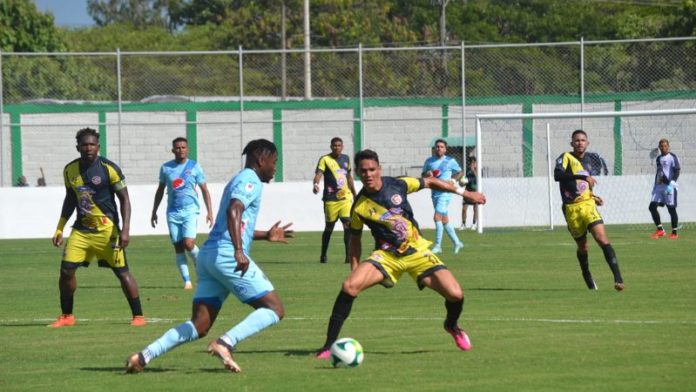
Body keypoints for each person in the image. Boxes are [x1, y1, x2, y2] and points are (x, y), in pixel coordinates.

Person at [126, 139, 293, 374]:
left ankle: (143, 357)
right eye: (274, 162)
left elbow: (234, 221)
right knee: (274, 309)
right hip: (226, 255)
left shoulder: (239, 179)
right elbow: (234, 210)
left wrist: (266, 235)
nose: (275, 168)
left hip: (209, 256)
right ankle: (225, 343)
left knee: (200, 325)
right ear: (261, 160)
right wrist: (238, 251)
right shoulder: (250, 180)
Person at [315, 149, 486, 359]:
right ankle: (327, 346)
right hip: (386, 257)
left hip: (417, 252)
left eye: (372, 169)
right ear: (357, 173)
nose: (368, 174)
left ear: (379, 169)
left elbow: (430, 182)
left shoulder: (398, 184)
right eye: (363, 171)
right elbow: (355, 238)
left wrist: (466, 193)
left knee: (456, 294)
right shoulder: (359, 206)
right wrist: (355, 268)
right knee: (349, 286)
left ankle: (451, 325)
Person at [50, 127, 145, 327]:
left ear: (98, 146)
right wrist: (59, 228)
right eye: (84, 144)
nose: (88, 148)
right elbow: (70, 199)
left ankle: (138, 316)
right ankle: (67, 316)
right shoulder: (70, 170)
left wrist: (125, 230)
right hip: (81, 231)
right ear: (78, 147)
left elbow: (125, 200)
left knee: (122, 272)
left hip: (107, 231)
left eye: (92, 144)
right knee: (66, 271)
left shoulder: (109, 168)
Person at [554, 129, 624, 291]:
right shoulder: (565, 157)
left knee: (602, 239)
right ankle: (587, 274)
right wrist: (582, 177)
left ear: (587, 143)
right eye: (577, 140)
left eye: (583, 140)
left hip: (588, 205)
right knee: (583, 247)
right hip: (572, 209)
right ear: (572, 143)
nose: (580, 143)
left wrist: (593, 196)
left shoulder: (590, 160)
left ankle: (618, 278)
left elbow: (582, 186)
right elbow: (558, 176)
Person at [151, 137, 214, 289]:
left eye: (183, 147)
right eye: (177, 148)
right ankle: (187, 281)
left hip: (190, 210)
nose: (181, 150)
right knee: (178, 246)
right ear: (173, 150)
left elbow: (204, 189)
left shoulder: (194, 167)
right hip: (173, 212)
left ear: (188, 149)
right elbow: (160, 190)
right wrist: (154, 211)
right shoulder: (166, 168)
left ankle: (202, 272)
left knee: (189, 243)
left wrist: (210, 212)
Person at [312, 137, 357, 263]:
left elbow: (349, 177)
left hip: (345, 198)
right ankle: (323, 254)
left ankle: (348, 256)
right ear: (331, 147)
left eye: (339, 145)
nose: (337, 147)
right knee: (329, 228)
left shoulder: (346, 159)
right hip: (331, 199)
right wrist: (316, 184)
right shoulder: (325, 159)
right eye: (334, 145)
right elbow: (318, 175)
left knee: (347, 225)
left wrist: (355, 193)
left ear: (342, 147)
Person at [422, 139, 464, 254]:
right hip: (434, 193)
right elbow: (423, 174)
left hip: (445, 193)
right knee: (444, 221)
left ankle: (438, 246)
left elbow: (460, 172)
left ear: (445, 149)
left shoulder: (450, 161)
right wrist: (427, 174)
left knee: (437, 218)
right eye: (437, 146)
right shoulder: (429, 161)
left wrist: (453, 180)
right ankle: (457, 243)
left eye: (441, 147)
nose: (439, 148)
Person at [649, 138, 681, 239]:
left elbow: (677, 170)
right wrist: (655, 185)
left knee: (671, 209)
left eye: (665, 146)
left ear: (668, 147)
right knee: (652, 206)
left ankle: (674, 233)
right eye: (661, 146)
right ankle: (660, 230)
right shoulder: (658, 158)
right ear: (659, 147)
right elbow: (659, 172)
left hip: (669, 187)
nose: (663, 148)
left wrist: (672, 181)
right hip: (659, 187)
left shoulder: (672, 157)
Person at [459, 157, 478, 231]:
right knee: (464, 209)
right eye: (470, 162)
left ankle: (474, 224)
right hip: (467, 191)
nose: (471, 164)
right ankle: (463, 224)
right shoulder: (467, 170)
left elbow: (478, 178)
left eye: (473, 162)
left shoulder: (478, 169)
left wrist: (473, 170)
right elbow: (464, 180)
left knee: (475, 208)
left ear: (475, 163)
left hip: (475, 191)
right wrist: (462, 183)